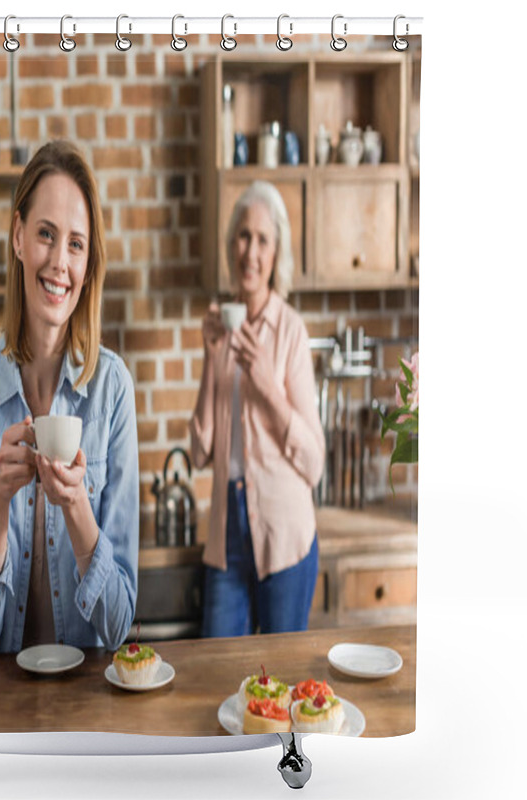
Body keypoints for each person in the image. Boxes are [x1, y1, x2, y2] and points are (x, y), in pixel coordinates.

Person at [0, 140, 139, 656]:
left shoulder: (112, 391)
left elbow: (119, 625)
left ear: (88, 262)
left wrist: (78, 509)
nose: (59, 263)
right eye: (46, 236)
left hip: (81, 704)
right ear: (17, 236)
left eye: (76, 244)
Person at [190, 180, 325, 638]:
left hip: (284, 532)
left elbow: (314, 462)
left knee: (283, 683)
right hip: (227, 532)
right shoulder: (222, 328)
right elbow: (199, 453)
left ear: (276, 253)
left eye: (262, 240)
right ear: (231, 247)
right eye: (243, 237)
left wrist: (268, 385)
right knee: (216, 676)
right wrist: (212, 358)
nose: (251, 251)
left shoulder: (291, 331)